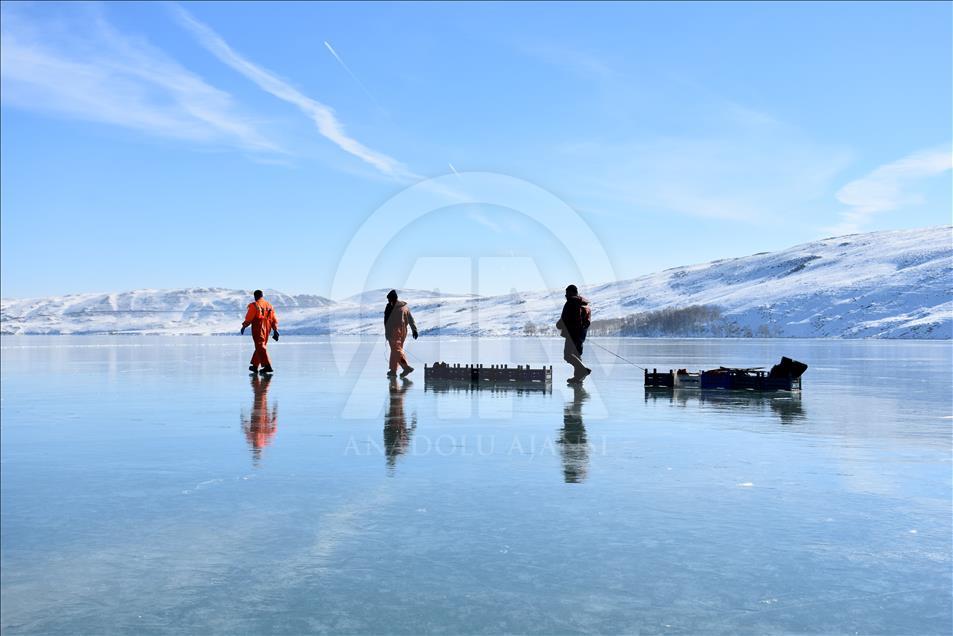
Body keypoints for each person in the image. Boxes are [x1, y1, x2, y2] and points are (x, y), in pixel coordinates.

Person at [556, 284, 592, 384]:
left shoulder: (570, 303)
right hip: (581, 335)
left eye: (566, 294)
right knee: (577, 355)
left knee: (568, 355)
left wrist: (558, 325)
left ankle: (583, 371)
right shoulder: (585, 305)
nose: (566, 296)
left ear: (570, 293)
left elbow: (563, 320)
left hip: (572, 334)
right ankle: (578, 378)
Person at [241, 289, 279, 374]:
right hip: (268, 326)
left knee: (260, 345)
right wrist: (275, 329)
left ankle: (267, 366)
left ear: (255, 296)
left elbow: (249, 317)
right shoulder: (269, 306)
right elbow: (274, 319)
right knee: (261, 345)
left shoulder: (254, 305)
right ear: (262, 296)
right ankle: (255, 366)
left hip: (259, 325)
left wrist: (244, 325)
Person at [384, 289, 418, 378]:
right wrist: (414, 330)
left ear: (393, 299)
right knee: (396, 350)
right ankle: (393, 370)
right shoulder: (405, 306)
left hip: (394, 331)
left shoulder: (391, 307)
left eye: (389, 299)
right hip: (403, 332)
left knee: (396, 350)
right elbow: (411, 319)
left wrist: (387, 333)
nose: (389, 301)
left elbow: (387, 321)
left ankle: (406, 367)